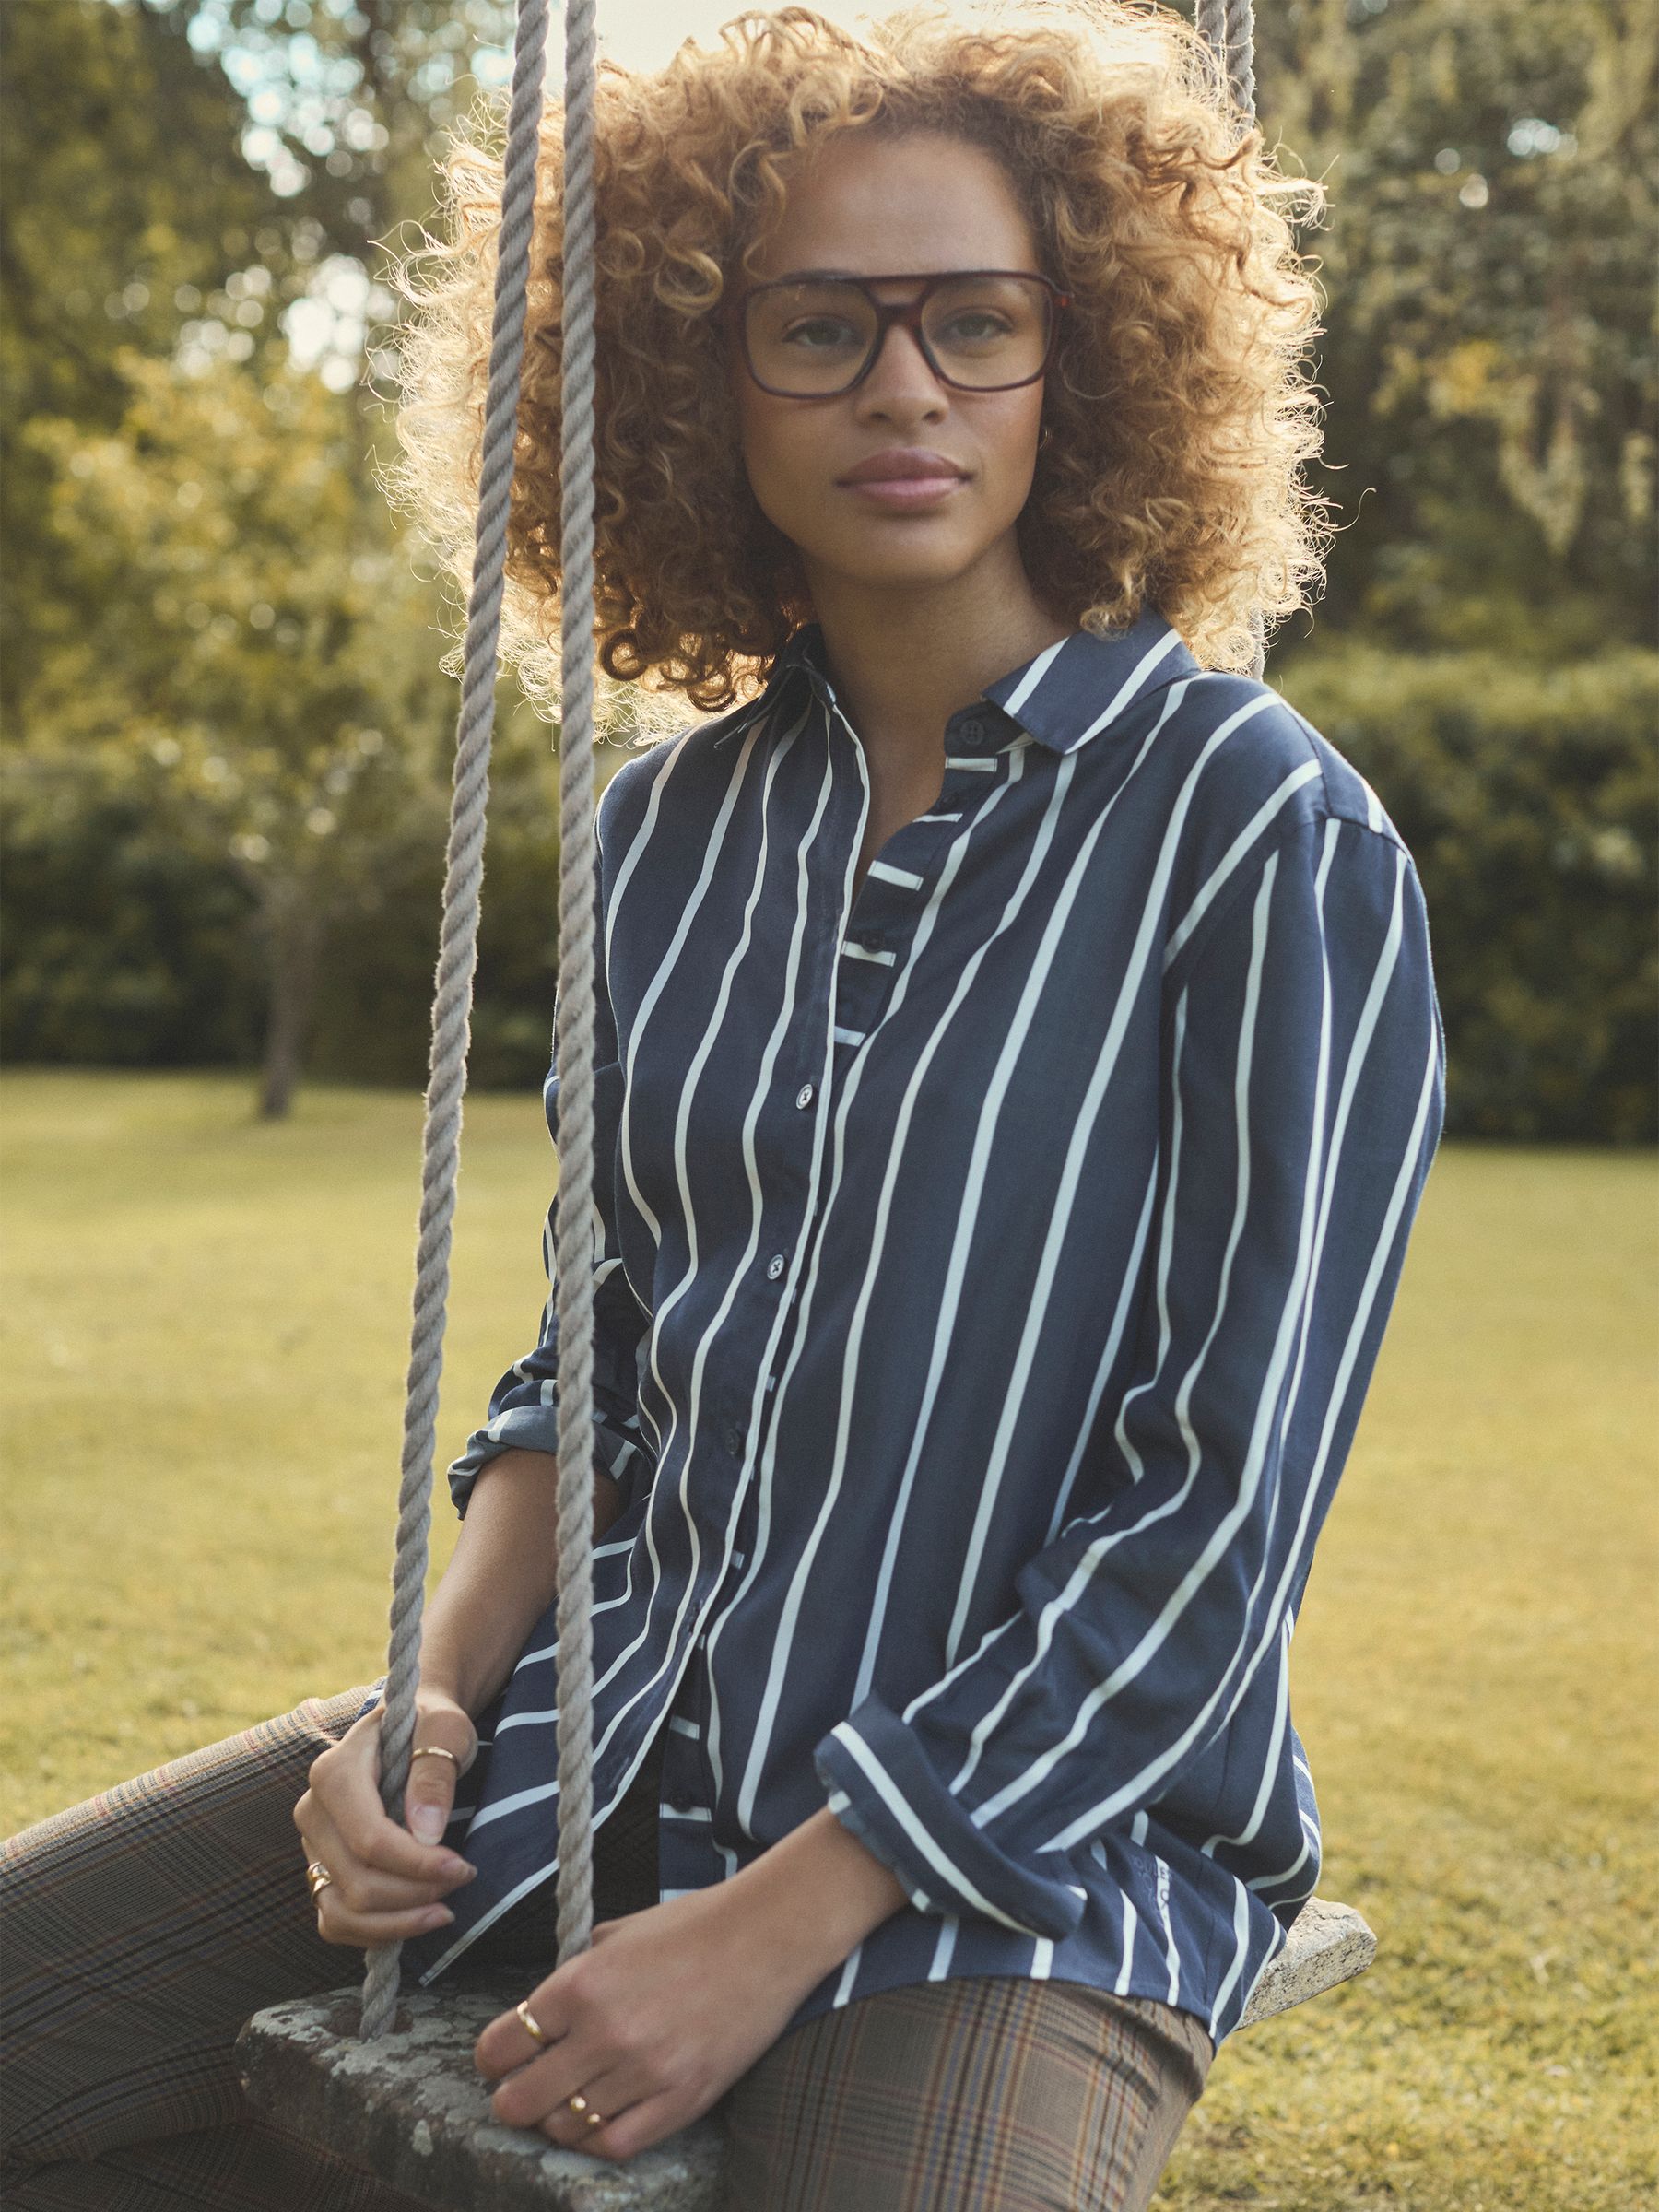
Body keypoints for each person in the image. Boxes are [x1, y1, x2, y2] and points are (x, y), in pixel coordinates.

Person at [0, 5, 1448, 2207]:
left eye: (977, 323)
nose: (903, 387)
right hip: (597, 1757)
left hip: (1022, 1857)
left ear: (1087, 359)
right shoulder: (666, 839)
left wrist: (771, 1927)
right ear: (698, 379)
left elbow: (1213, 1536)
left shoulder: (1259, 832)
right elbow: (596, 1352)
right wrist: (436, 1699)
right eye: (817, 328)